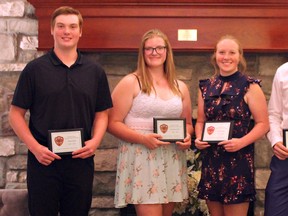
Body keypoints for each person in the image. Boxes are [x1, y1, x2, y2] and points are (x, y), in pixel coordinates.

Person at [8, 6, 112, 216]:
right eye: (61, 26)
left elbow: (102, 113)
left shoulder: (95, 72)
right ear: (52, 30)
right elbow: (15, 114)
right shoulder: (34, 70)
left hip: (80, 161)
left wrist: (95, 142)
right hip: (43, 160)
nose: (67, 31)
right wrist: (35, 148)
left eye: (73, 26)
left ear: (80, 31)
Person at [108, 29, 193, 216]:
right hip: (142, 155)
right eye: (149, 48)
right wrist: (142, 138)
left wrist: (187, 137)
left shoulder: (181, 87)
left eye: (159, 48)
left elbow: (187, 124)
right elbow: (112, 122)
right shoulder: (131, 82)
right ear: (142, 52)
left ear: (167, 51)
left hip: (171, 156)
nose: (154, 52)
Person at [194, 35, 269, 216]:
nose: (226, 57)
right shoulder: (205, 86)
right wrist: (198, 138)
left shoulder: (250, 86)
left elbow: (263, 124)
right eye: (222, 52)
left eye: (231, 52)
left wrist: (241, 142)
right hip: (212, 160)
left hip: (238, 160)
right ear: (215, 55)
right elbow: (201, 121)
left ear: (239, 56)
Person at [265, 62, 288, 216]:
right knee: (275, 209)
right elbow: (273, 114)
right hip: (285, 156)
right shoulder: (283, 71)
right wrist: (276, 141)